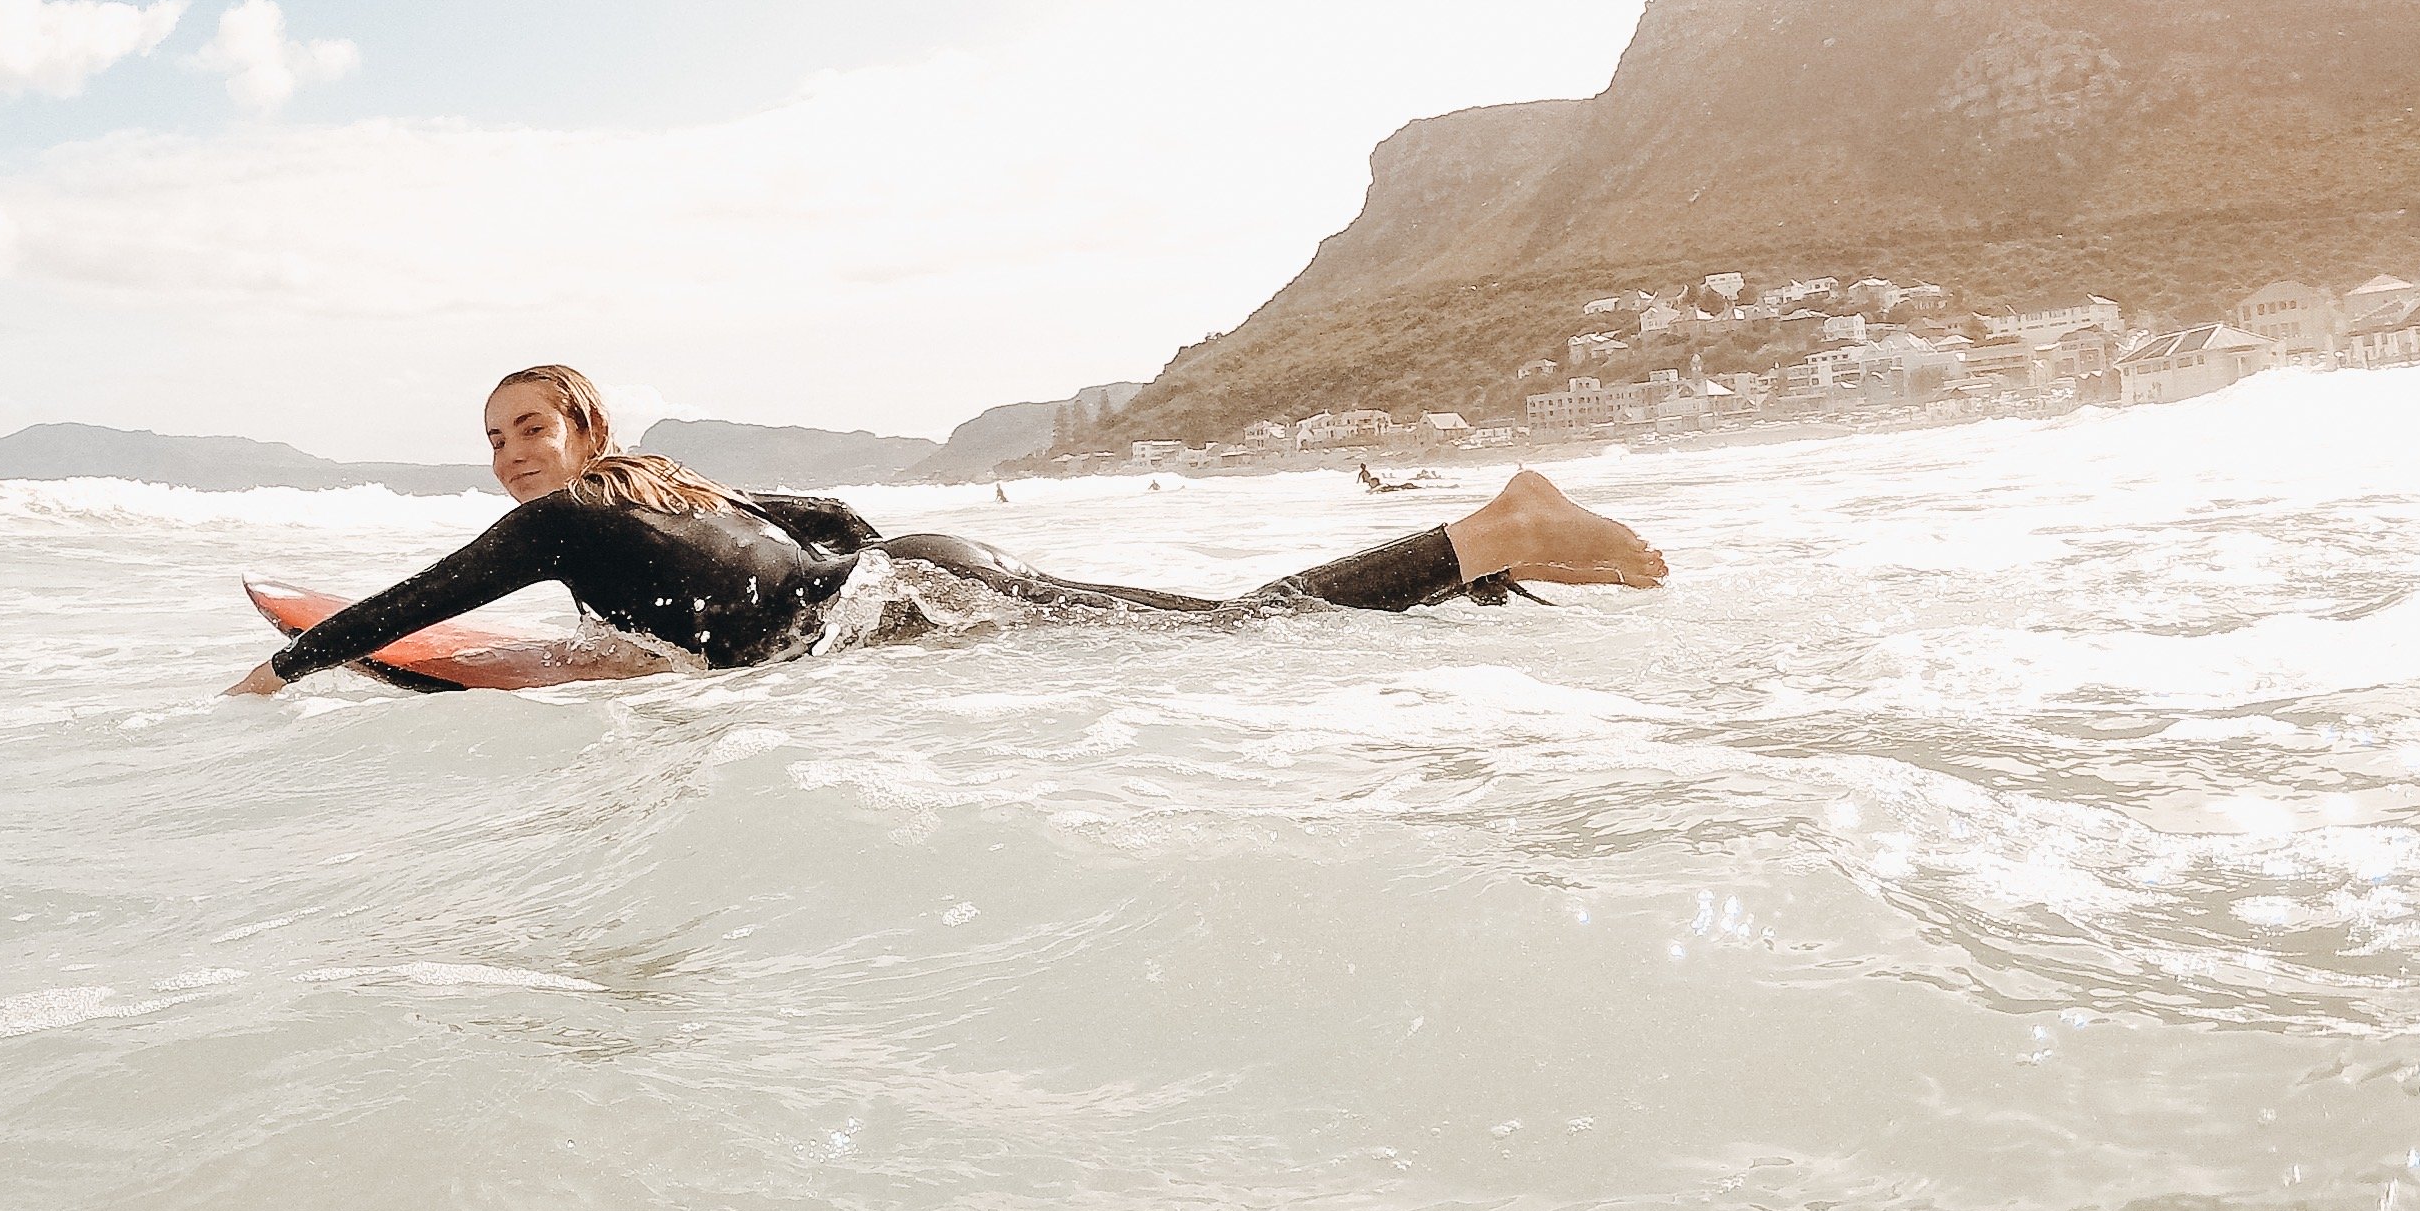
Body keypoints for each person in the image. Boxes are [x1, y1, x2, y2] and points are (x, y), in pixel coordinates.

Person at [225, 363, 1665, 695]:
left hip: (906, 611)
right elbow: (840, 517)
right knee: (1212, 629)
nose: (509, 456)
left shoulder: (563, 522)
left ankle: (1492, 537)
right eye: (493, 440)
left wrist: (274, 679)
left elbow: (412, 598)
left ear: (584, 436)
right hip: (910, 577)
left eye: (531, 427)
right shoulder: (667, 487)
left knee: (1232, 636)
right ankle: (1472, 578)